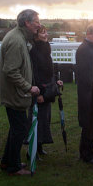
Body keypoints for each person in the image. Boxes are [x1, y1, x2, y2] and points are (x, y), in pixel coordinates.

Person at [0, 9, 40, 175]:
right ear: (27, 23)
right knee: (20, 129)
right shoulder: (16, 41)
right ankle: (13, 167)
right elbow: (10, 71)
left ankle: (7, 161)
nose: (39, 25)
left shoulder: (20, 38)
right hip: (15, 94)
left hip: (15, 93)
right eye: (36, 21)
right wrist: (28, 87)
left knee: (16, 128)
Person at [28, 25, 63, 155]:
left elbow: (49, 70)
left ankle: (40, 146)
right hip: (39, 91)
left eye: (46, 32)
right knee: (36, 120)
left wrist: (55, 81)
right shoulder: (34, 51)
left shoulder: (46, 49)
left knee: (44, 120)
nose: (46, 35)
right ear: (36, 36)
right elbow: (35, 74)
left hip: (47, 89)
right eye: (43, 33)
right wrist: (39, 94)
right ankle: (32, 150)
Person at [76, 23, 93, 164]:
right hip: (88, 94)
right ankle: (87, 154)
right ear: (89, 34)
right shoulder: (85, 50)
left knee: (91, 124)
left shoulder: (92, 48)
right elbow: (88, 76)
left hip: (91, 93)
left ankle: (87, 152)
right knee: (88, 124)